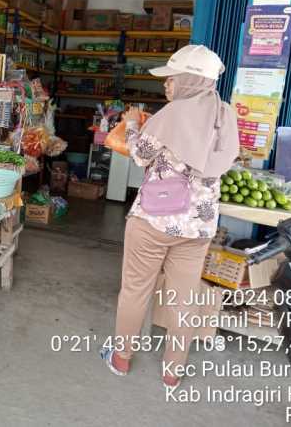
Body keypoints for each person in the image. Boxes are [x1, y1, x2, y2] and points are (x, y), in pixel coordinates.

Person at [101, 45, 239, 388]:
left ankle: (120, 358)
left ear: (190, 81)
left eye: (172, 78)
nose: (167, 85)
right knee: (183, 298)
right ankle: (172, 371)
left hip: (154, 220)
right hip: (199, 228)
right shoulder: (226, 116)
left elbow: (138, 154)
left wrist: (132, 124)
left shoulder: (171, 115)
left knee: (135, 290)